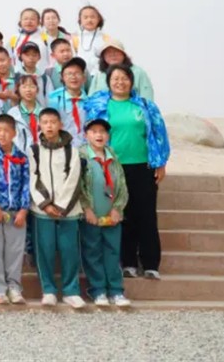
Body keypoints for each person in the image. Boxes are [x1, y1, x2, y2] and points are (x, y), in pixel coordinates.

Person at [83, 62, 170, 281]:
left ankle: (150, 263)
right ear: (108, 82)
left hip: (143, 166)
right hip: (112, 167)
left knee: (146, 214)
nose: (120, 82)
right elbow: (91, 134)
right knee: (124, 213)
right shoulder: (100, 106)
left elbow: (159, 134)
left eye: (124, 78)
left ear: (131, 81)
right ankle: (128, 262)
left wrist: (161, 163)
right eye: (115, 79)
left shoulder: (145, 106)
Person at [27, 108, 85, 308]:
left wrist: (61, 206)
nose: (49, 126)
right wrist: (46, 204)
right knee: (45, 251)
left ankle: (71, 291)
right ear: (39, 125)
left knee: (69, 251)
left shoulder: (72, 151)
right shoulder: (34, 150)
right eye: (45, 122)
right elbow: (33, 178)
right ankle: (48, 290)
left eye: (53, 122)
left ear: (60, 124)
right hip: (42, 212)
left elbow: (74, 179)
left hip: (68, 211)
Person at [79, 117, 132, 308]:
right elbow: (79, 186)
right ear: (86, 135)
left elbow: (122, 185)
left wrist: (118, 208)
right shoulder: (81, 156)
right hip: (91, 215)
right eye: (94, 132)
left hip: (112, 215)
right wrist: (87, 208)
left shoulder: (113, 156)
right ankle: (98, 289)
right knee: (92, 252)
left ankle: (116, 290)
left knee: (112, 252)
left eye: (102, 131)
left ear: (108, 135)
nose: (99, 135)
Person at [0, 114, 30, 305]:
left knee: (15, 251)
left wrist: (24, 209)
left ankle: (14, 287)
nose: (2, 134)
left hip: (16, 211)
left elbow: (26, 183)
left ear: (14, 133)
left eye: (6, 131)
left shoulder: (21, 157)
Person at [88, 39, 156, 102]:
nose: (113, 55)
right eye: (108, 52)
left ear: (123, 54)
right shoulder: (99, 74)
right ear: (103, 57)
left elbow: (147, 98)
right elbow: (90, 98)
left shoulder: (138, 72)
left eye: (116, 51)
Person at [49, 57, 90, 146]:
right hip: (62, 146)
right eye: (69, 74)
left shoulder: (89, 102)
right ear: (62, 78)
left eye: (77, 73)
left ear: (84, 78)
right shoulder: (55, 99)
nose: (73, 77)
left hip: (85, 147)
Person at [7, 74, 45, 154]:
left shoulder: (45, 113)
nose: (28, 90)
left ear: (37, 90)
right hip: (20, 157)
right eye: (24, 87)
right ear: (18, 90)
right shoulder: (12, 114)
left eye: (32, 86)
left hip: (43, 155)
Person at [72, 5, 111, 74]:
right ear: (80, 20)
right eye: (85, 17)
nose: (89, 20)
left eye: (92, 17)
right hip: (80, 74)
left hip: (99, 74)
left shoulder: (105, 38)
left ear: (98, 19)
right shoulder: (75, 38)